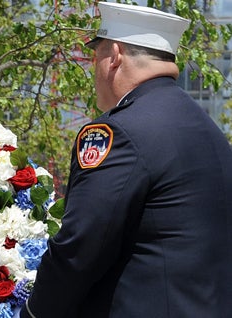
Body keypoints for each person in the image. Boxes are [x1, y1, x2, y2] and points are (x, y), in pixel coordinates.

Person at [20, 2, 232, 317]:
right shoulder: (208, 131)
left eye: (96, 55)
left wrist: (33, 312)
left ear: (115, 55)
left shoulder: (117, 131)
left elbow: (79, 248)